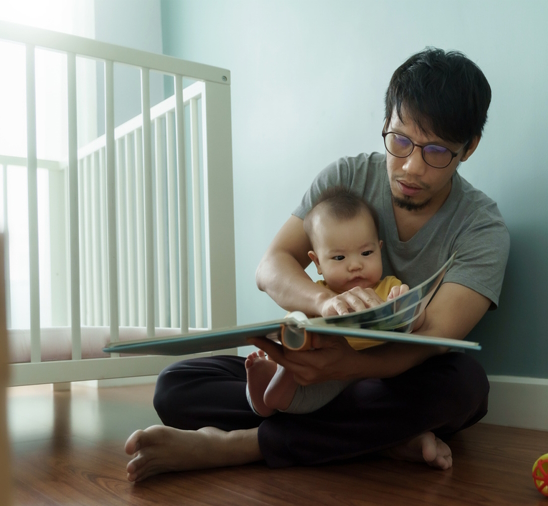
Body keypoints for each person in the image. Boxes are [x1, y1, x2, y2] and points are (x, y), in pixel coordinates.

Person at [124, 47, 509, 482]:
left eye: (436, 151)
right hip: (308, 373)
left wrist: (348, 365)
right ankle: (381, 441)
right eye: (400, 140)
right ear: (385, 124)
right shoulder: (344, 179)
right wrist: (323, 303)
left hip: (387, 379)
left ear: (469, 147)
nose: (410, 166)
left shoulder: (482, 228)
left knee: (465, 388)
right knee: (178, 383)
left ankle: (238, 445)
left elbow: (437, 338)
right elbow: (272, 266)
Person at [246, 185, 410, 417]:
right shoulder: (314, 296)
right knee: (290, 357)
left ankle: (275, 391)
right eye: (339, 257)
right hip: (309, 368)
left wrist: (402, 301)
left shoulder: (386, 288)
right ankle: (268, 378)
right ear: (318, 263)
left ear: (379, 250)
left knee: (357, 392)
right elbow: (292, 329)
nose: (355, 265)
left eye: (366, 253)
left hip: (350, 373)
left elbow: (415, 319)